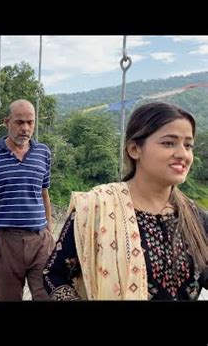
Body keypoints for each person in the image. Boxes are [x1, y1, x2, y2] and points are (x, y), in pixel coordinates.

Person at [43, 101, 208, 300]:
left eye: (188, 145)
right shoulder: (97, 208)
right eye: (168, 143)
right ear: (134, 149)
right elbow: (54, 275)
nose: (183, 154)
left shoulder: (195, 218)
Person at [0, 99, 55, 301]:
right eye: (19, 122)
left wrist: (50, 232)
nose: (25, 128)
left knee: (48, 295)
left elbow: (44, 194)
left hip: (40, 240)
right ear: (6, 122)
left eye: (30, 122)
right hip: (5, 242)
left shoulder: (43, 153)